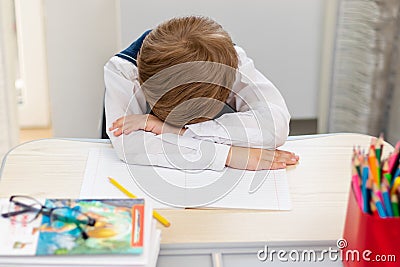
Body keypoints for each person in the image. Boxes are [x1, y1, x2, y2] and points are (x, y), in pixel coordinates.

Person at [104, 16, 299, 171]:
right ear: (143, 83)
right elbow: (129, 146)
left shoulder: (230, 61)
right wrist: (227, 155)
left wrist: (175, 131)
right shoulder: (123, 71)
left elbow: (274, 125)